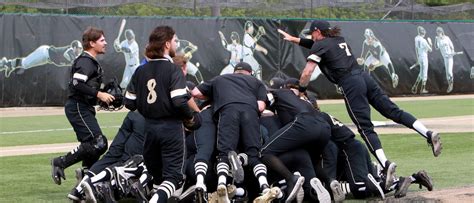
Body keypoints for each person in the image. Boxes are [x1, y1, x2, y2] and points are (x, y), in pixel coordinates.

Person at [277, 20, 442, 191]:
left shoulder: (320, 45)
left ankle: (386, 165)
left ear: (318, 31)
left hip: (350, 83)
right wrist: (295, 39)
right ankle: (427, 133)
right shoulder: (338, 39)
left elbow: (307, 72)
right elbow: (315, 44)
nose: (312, 37)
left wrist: (302, 89)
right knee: (393, 111)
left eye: (312, 34)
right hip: (364, 77)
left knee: (365, 127)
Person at [124, 25, 201, 203]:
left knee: (158, 178)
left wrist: (148, 108)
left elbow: (129, 102)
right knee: (173, 177)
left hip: (149, 129)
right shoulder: (173, 69)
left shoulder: (140, 70)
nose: (176, 44)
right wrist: (190, 118)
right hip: (171, 128)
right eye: (174, 41)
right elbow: (179, 101)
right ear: (167, 44)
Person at [191, 62, 278, 203]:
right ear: (249, 72)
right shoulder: (256, 81)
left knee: (224, 153)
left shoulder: (220, 78)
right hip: (250, 111)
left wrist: (218, 95)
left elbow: (195, 93)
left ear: (234, 71)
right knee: (254, 155)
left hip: (228, 110)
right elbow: (261, 107)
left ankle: (221, 185)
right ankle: (265, 186)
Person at [51, 27, 114, 186]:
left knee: (92, 145)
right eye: (101, 40)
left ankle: (86, 176)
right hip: (78, 106)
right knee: (98, 142)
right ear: (92, 43)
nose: (105, 43)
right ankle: (60, 162)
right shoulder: (86, 61)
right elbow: (77, 83)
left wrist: (101, 97)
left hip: (83, 106)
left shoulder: (90, 61)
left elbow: (85, 86)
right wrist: (99, 94)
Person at [261, 78, 330, 202]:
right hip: (324, 128)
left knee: (265, 152)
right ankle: (327, 185)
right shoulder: (298, 98)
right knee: (310, 158)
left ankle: (290, 179)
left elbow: (261, 107)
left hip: (304, 124)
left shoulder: (273, 93)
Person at [67, 110, 149, 202]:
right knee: (132, 162)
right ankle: (97, 186)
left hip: (134, 113)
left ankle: (79, 189)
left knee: (111, 156)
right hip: (149, 117)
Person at [0, 40, 83, 77]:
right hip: (44, 53)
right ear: (74, 47)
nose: (80, 50)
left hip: (46, 59)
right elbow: (67, 54)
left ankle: (10, 64)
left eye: (80, 49)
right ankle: (6, 63)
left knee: (25, 64)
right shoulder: (70, 50)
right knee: (25, 63)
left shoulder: (75, 57)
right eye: (79, 48)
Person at [435, 26, 459, 93]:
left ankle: (451, 83)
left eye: (439, 32)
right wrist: (436, 40)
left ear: (442, 32)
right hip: (445, 57)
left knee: (449, 71)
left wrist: (453, 51)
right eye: (437, 32)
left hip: (450, 57)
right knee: (447, 74)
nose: (438, 33)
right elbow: (437, 47)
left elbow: (451, 45)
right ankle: (450, 85)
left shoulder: (447, 38)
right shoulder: (438, 40)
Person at [412, 26, 433, 94]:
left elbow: (416, 49)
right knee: (424, 73)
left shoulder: (416, 38)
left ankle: (415, 86)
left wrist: (417, 58)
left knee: (421, 73)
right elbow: (430, 50)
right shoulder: (423, 41)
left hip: (420, 57)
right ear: (423, 32)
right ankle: (423, 89)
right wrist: (430, 43)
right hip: (424, 57)